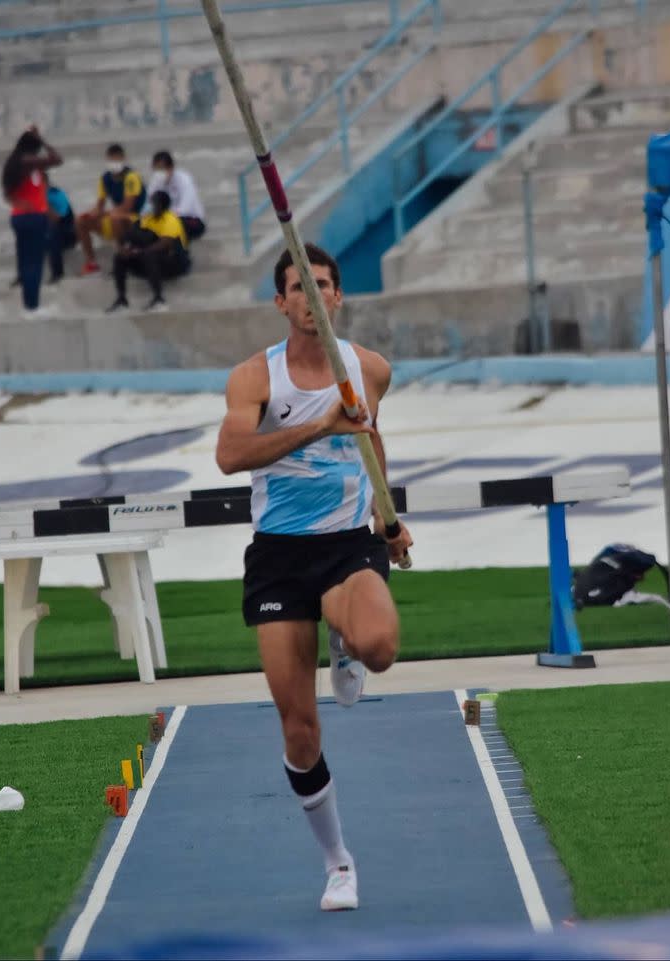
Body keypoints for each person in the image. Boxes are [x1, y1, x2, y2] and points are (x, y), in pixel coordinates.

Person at [215, 243, 413, 912]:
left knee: (381, 647)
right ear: (281, 301)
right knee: (299, 730)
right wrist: (316, 423)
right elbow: (229, 454)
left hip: (346, 547)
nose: (310, 297)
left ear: (337, 297)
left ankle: (346, 636)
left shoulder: (370, 369)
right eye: (297, 287)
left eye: (321, 285)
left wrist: (390, 520)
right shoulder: (255, 379)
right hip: (279, 554)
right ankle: (338, 861)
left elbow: (370, 438)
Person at [1, 126, 62, 318]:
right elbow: (57, 159)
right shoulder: (27, 161)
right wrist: (42, 139)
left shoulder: (16, 163)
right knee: (34, 264)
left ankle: (29, 305)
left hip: (21, 217)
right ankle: (32, 306)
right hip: (33, 217)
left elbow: (8, 193)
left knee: (27, 263)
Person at [106, 190, 190, 313]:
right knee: (120, 257)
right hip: (152, 260)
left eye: (153, 202)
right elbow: (129, 236)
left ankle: (159, 299)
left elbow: (164, 244)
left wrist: (139, 252)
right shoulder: (147, 219)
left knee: (149, 255)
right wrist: (124, 249)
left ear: (161, 206)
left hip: (174, 262)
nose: (150, 205)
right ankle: (121, 299)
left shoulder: (171, 220)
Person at [76, 143, 146, 275]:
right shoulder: (105, 178)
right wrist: (91, 214)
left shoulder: (131, 177)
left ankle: (122, 258)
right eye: (111, 159)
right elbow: (100, 205)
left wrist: (104, 213)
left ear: (123, 159)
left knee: (114, 218)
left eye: (117, 159)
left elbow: (127, 207)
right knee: (80, 221)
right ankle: (91, 262)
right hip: (117, 215)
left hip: (136, 217)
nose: (114, 162)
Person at [147, 150, 206, 242]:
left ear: (171, 168)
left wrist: (165, 217)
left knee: (173, 225)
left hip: (191, 220)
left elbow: (185, 209)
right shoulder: (155, 182)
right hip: (166, 220)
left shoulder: (184, 180)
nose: (159, 174)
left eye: (161, 169)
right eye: (156, 170)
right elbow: (149, 204)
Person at [45, 174, 76, 283]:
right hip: (49, 231)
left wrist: (45, 203)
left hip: (68, 233)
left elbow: (56, 219)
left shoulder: (57, 194)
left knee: (52, 234)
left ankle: (58, 273)